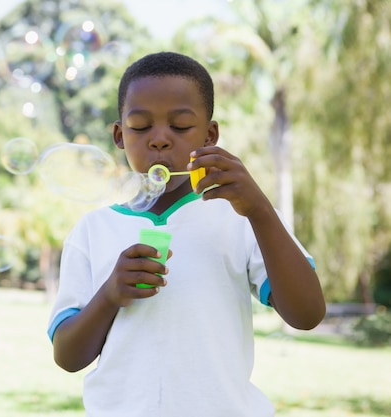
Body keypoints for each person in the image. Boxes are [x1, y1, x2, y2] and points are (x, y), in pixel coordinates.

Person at [47, 51, 325, 416]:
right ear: (119, 135)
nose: (160, 140)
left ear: (210, 136)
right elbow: (67, 357)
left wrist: (259, 208)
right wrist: (109, 296)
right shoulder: (92, 231)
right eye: (141, 126)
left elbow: (307, 314)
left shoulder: (240, 216)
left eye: (179, 127)